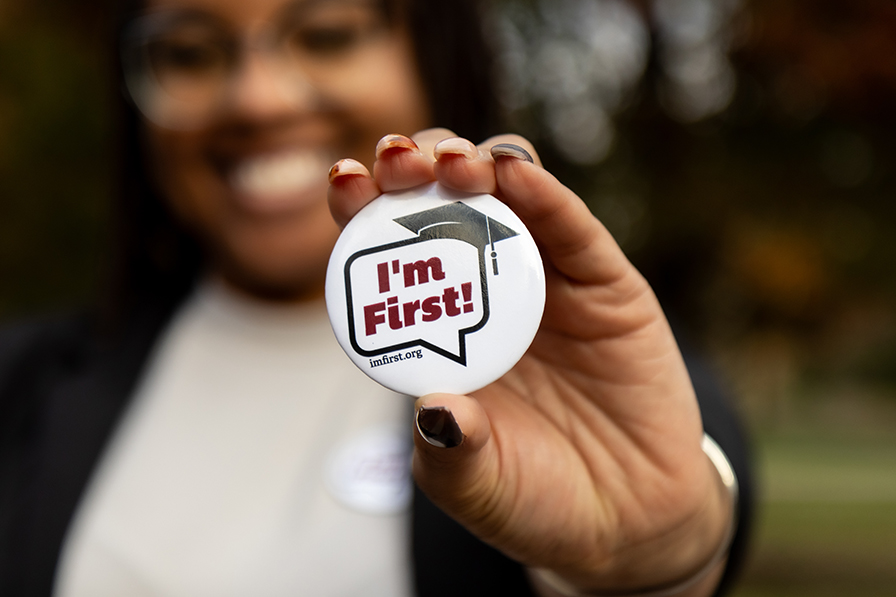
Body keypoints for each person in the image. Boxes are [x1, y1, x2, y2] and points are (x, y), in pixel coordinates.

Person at [0, 0, 753, 595]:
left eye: (326, 33)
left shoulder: (549, 353)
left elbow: (681, 478)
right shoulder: (22, 384)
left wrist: (652, 556)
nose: (255, 99)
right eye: (189, 51)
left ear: (433, 48)